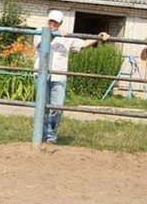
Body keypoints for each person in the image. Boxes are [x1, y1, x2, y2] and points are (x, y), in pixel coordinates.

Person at [34, 10, 109, 145]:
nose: (52, 24)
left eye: (55, 22)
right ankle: (46, 136)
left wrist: (99, 36)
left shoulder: (66, 37)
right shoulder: (40, 31)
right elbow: (39, 44)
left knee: (58, 107)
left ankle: (49, 133)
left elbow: (83, 44)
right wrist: (53, 35)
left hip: (59, 76)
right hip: (41, 74)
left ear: (60, 23)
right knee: (42, 106)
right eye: (50, 21)